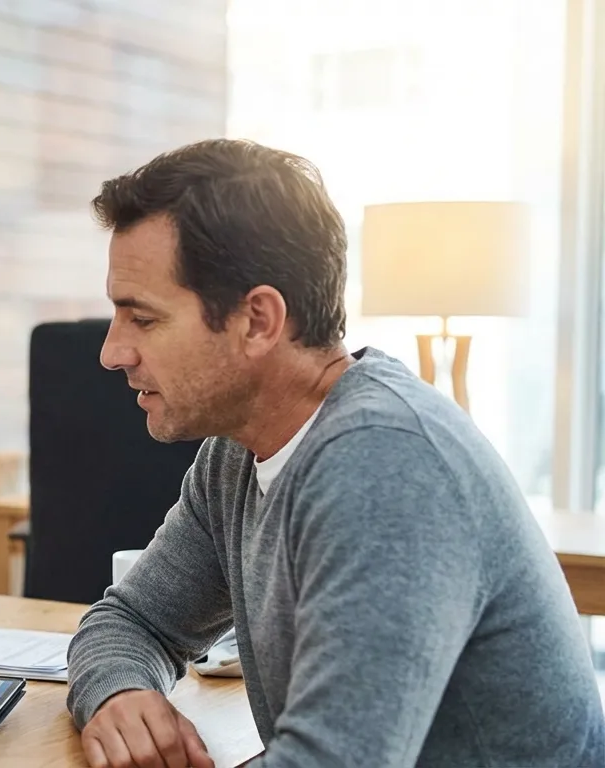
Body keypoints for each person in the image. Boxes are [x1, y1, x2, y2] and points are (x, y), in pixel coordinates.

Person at [66, 138, 605, 768]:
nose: (112, 353)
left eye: (143, 319)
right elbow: (132, 619)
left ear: (259, 321)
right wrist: (119, 690)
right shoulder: (237, 454)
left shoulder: (389, 466)